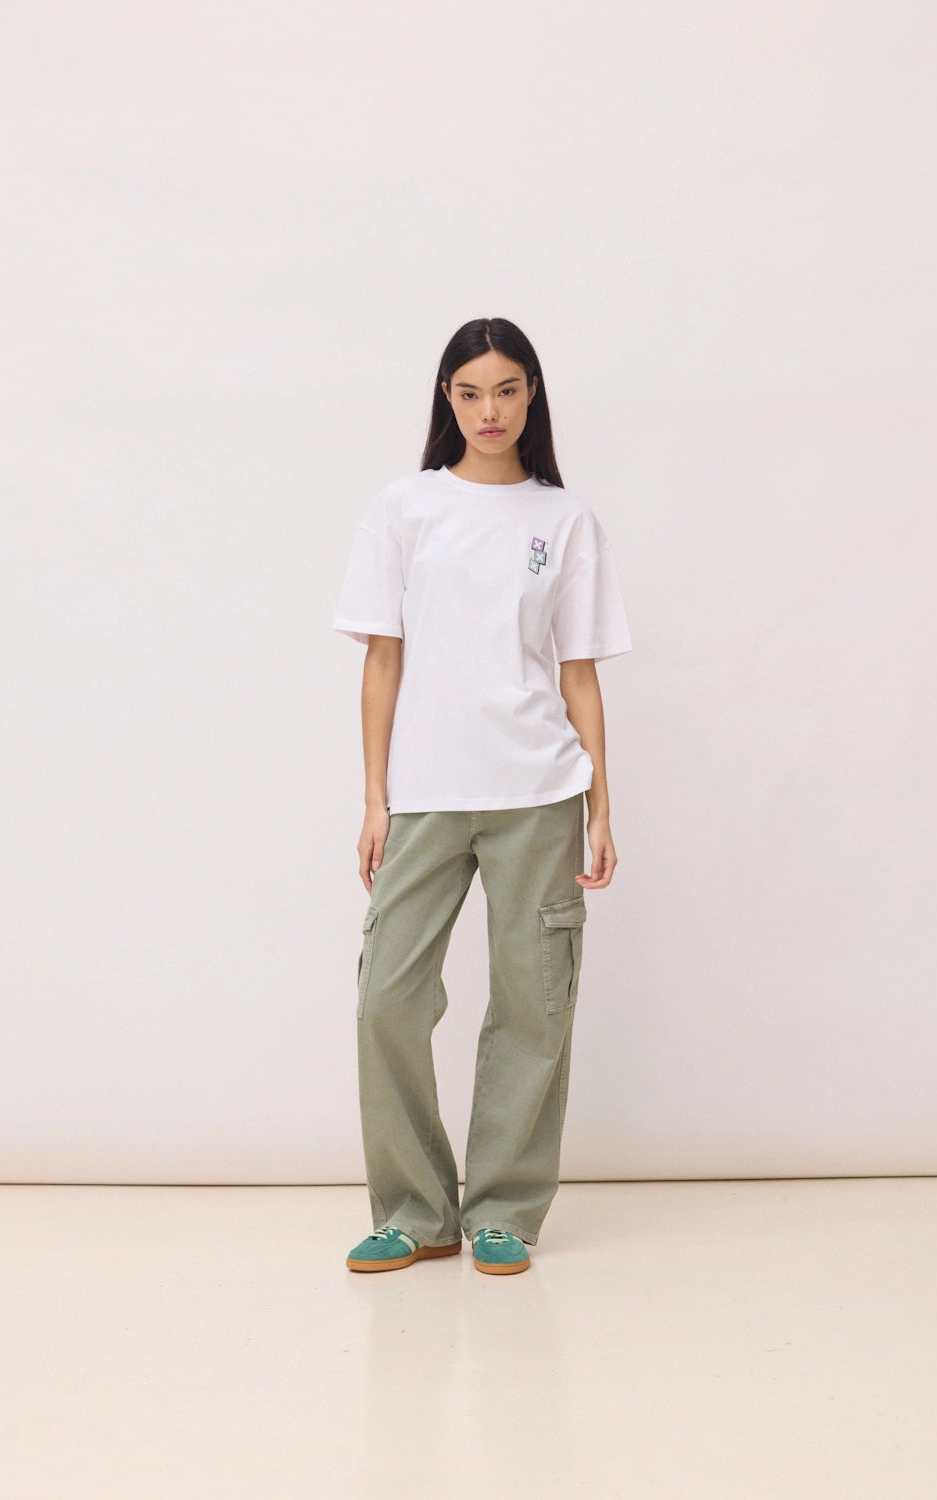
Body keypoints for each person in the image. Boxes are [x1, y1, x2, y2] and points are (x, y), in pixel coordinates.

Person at [333, 317, 631, 1275]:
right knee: (387, 997)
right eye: (470, 393)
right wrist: (375, 797)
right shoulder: (405, 507)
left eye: (506, 389)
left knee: (532, 1003)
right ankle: (416, 1211)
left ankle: (504, 1207)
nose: (489, 411)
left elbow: (578, 673)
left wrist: (601, 804)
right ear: (447, 399)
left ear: (531, 393)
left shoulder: (564, 519)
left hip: (539, 791)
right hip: (424, 792)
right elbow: (383, 660)